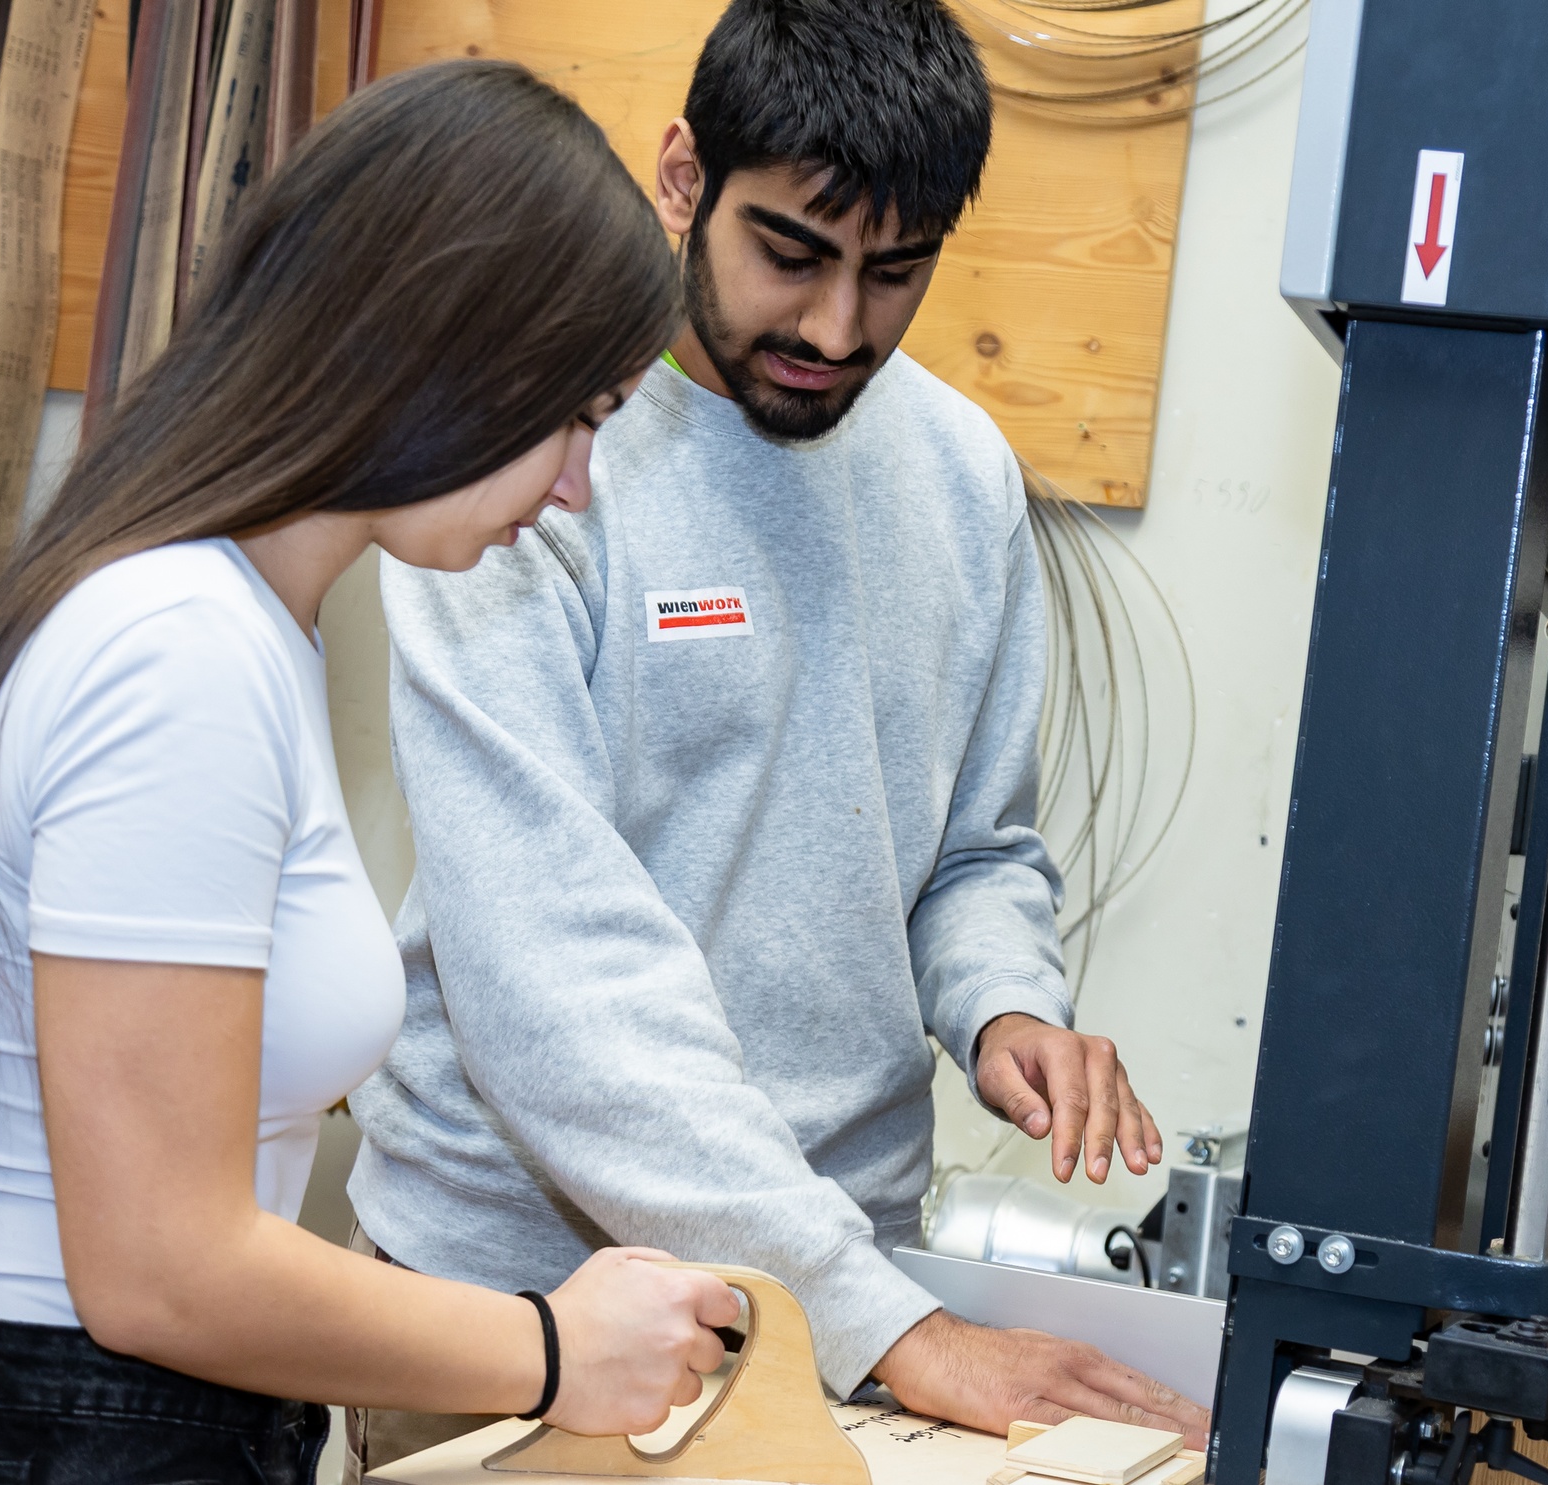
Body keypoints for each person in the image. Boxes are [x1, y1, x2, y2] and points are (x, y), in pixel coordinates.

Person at [0, 61, 739, 1485]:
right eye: (580, 415)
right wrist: (551, 1347)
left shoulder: (232, 625)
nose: (574, 488)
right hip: (61, 1436)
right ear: (446, 347)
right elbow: (160, 1271)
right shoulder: (179, 649)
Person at [343, 0, 1209, 1469]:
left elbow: (975, 848)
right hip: (519, 1306)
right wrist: (899, 1331)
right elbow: (559, 983)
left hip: (843, 1288)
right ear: (684, 177)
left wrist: (1003, 1004)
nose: (834, 328)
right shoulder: (519, 460)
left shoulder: (962, 474)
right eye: (791, 254)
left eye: (895, 272)